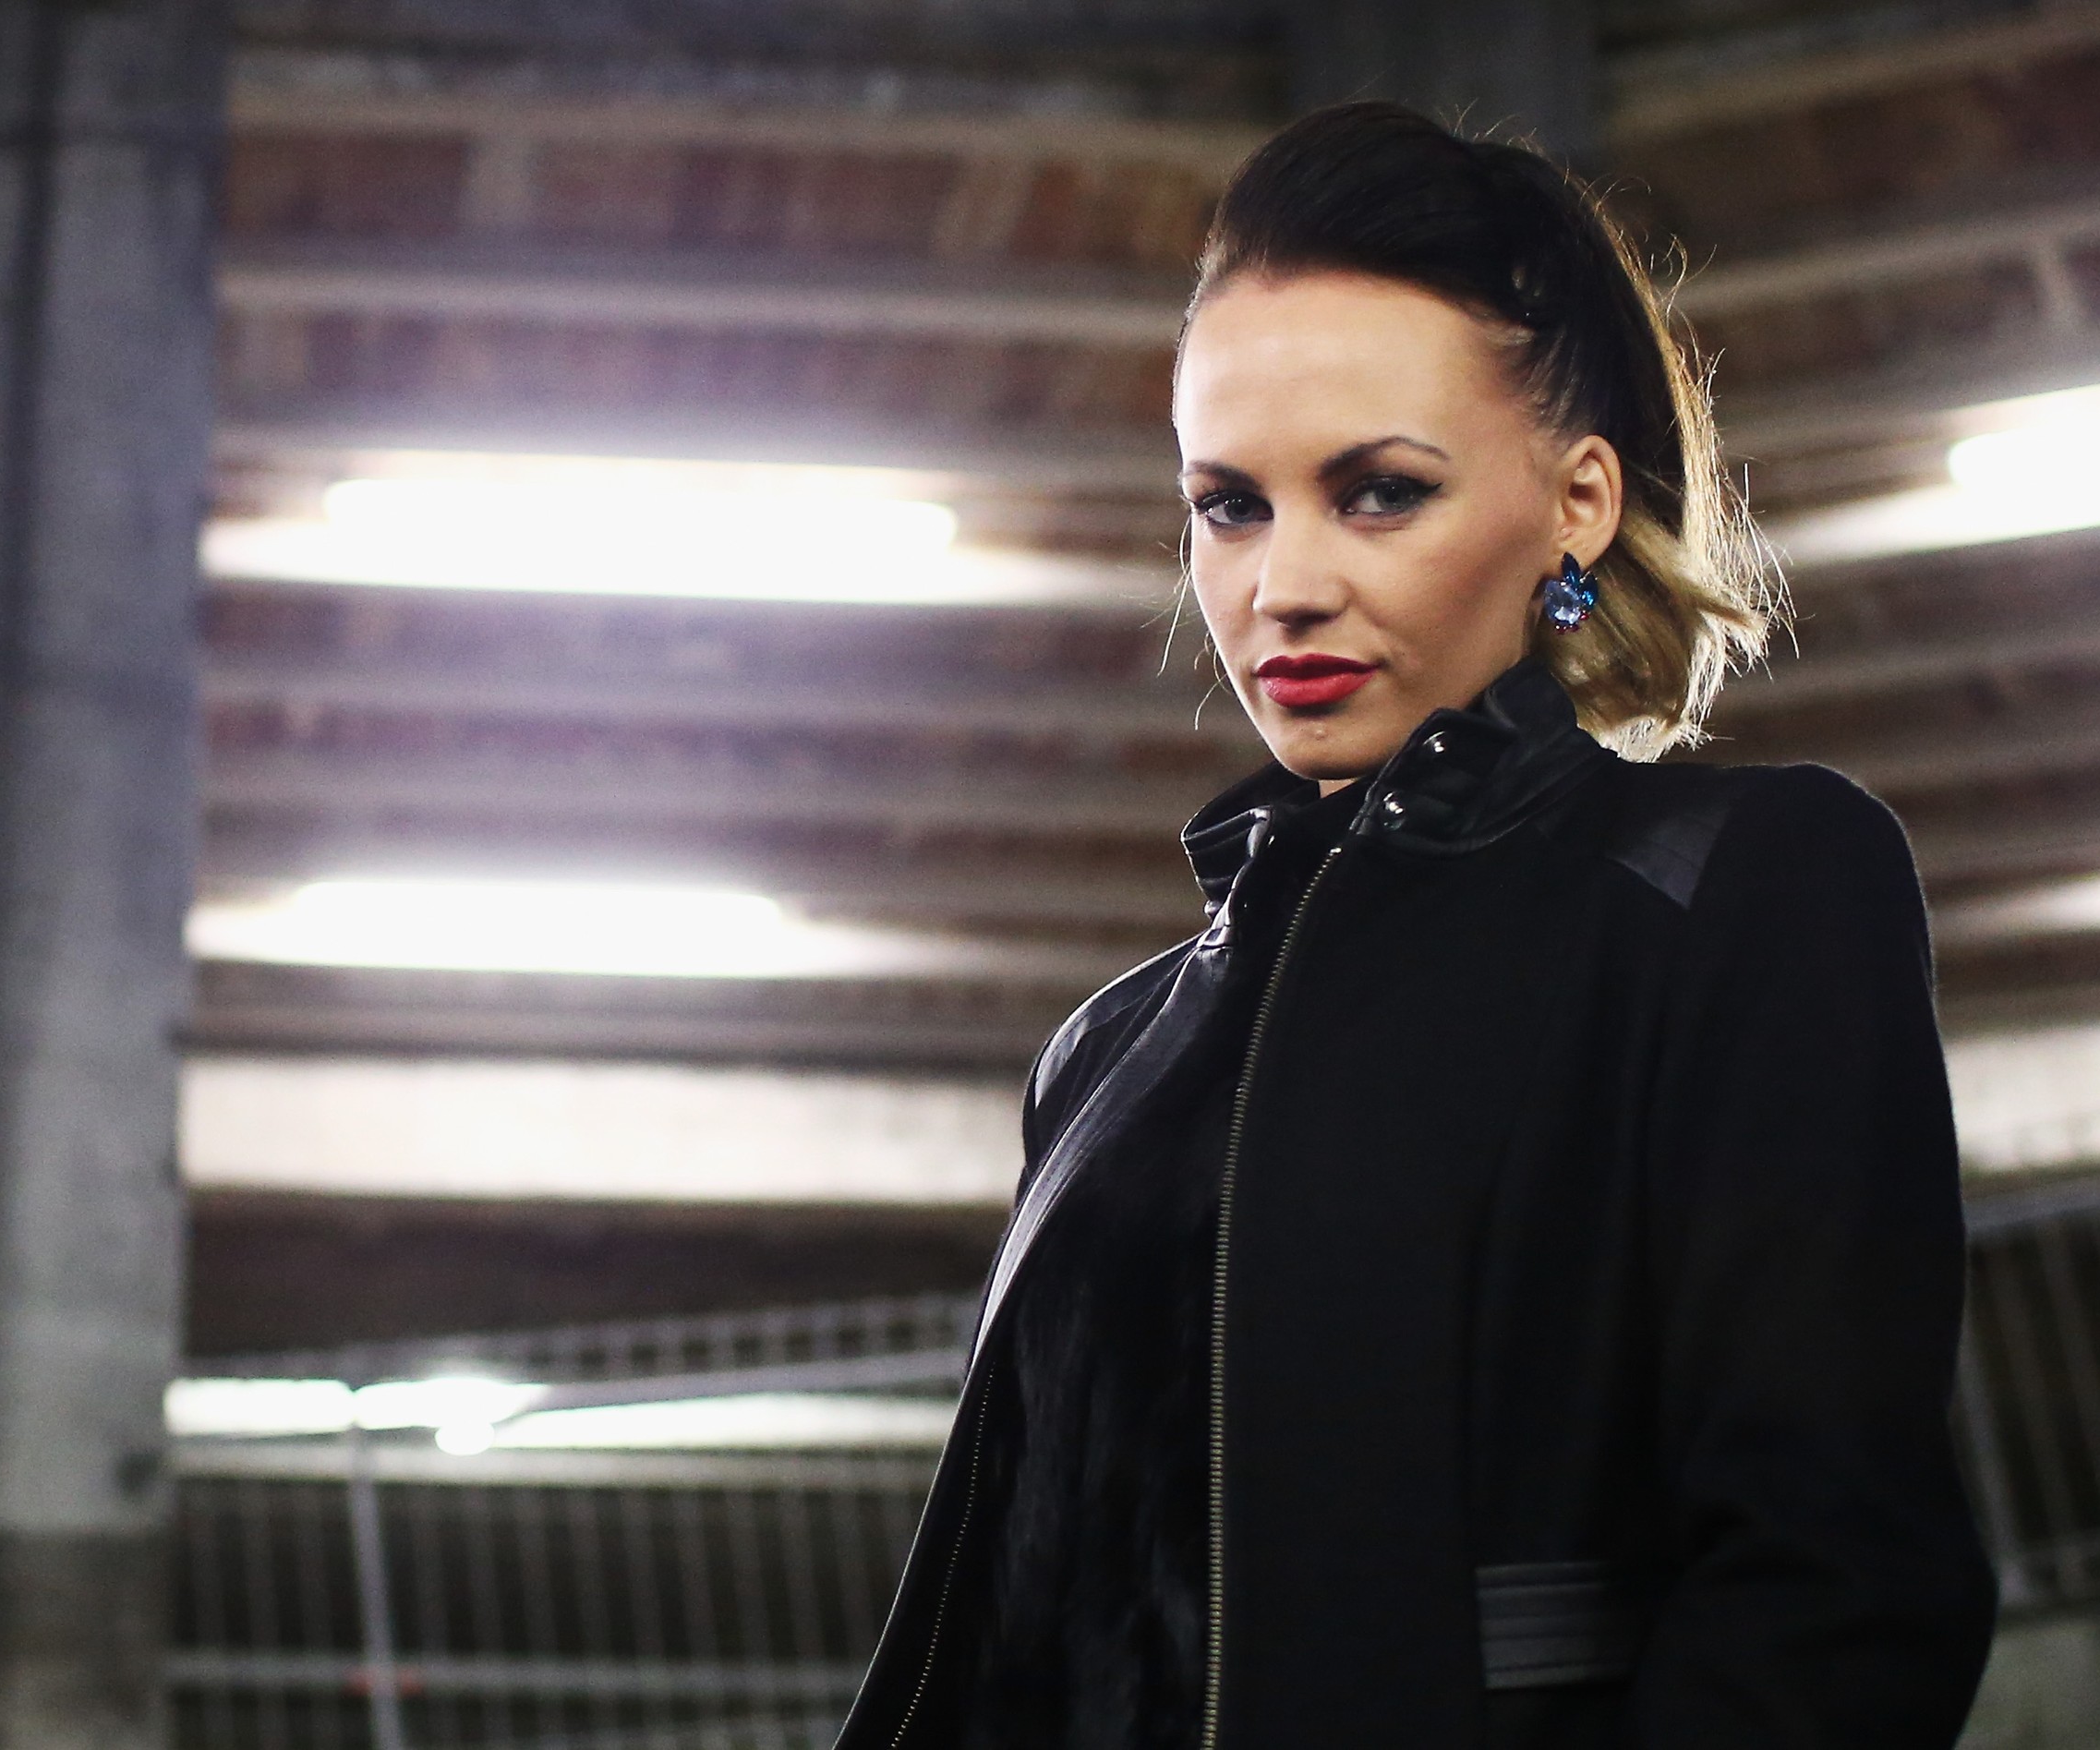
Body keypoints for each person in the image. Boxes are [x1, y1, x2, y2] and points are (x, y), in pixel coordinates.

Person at [835, 102, 1997, 1750]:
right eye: (1229, 505)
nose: (1283, 586)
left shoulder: (1743, 888)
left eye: (1378, 492)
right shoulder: (1109, 1054)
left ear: (1577, 501)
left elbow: (1840, 1594)